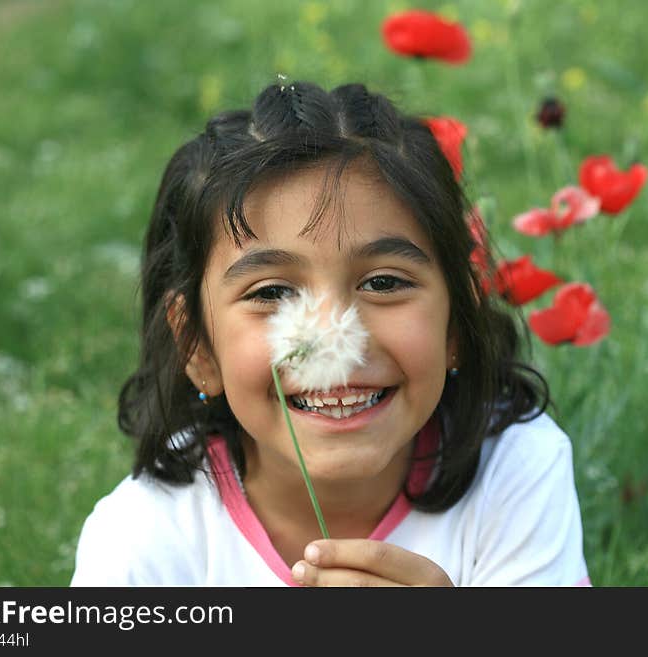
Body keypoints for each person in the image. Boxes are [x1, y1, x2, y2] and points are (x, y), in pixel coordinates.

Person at [70, 80, 590, 587]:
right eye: (271, 293)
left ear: (457, 322)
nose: (332, 341)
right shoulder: (142, 541)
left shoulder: (515, 470)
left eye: (384, 282)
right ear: (197, 347)